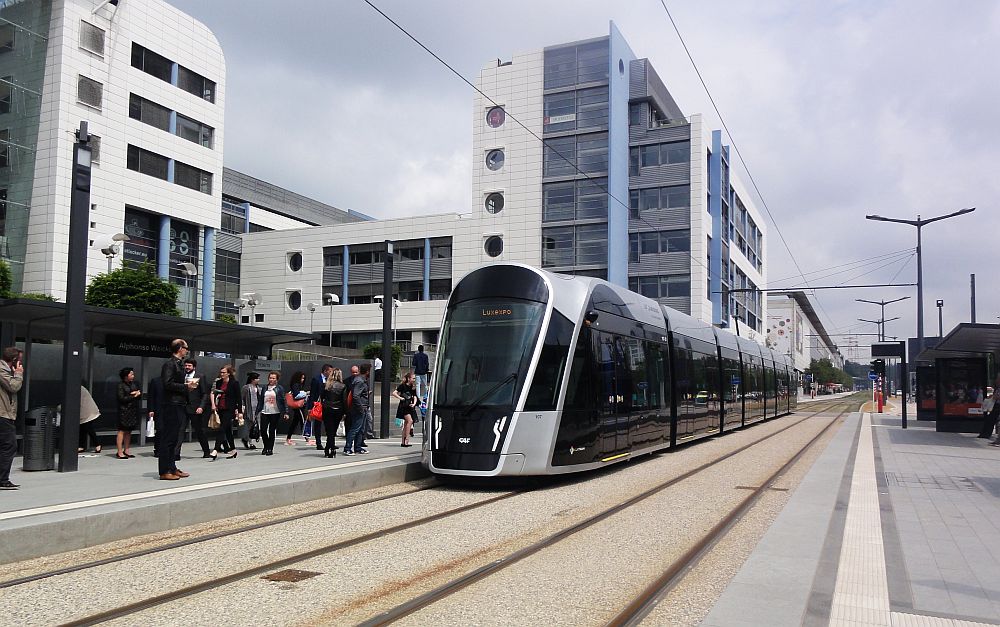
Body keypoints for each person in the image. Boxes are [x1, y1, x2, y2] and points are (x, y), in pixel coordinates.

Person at [159, 339, 197, 480]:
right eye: (186, 348)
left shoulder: (178, 364)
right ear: (180, 348)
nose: (187, 350)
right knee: (169, 438)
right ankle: (164, 470)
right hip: (172, 404)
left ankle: (172, 467)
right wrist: (185, 386)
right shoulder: (169, 364)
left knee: (175, 438)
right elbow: (167, 383)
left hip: (179, 403)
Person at [0, 347, 23, 490]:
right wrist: (19, 374)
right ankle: (2, 480)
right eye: (20, 360)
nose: (21, 363)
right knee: (10, 446)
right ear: (14, 360)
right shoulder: (2, 371)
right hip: (2, 414)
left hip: (5, 414)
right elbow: (13, 387)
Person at [179, 359, 212, 459]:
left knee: (199, 431)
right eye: (186, 366)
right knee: (180, 430)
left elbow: (205, 394)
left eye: (189, 366)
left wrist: (201, 406)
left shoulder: (200, 377)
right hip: (183, 407)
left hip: (195, 408)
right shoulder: (181, 376)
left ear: (194, 367)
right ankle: (176, 453)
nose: (187, 367)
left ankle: (206, 451)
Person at [209, 365, 241, 460]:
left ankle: (215, 449)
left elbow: (238, 398)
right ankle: (233, 450)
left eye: (224, 372)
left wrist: (239, 411)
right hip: (220, 408)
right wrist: (214, 404)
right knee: (227, 431)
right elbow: (214, 393)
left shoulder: (234, 383)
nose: (222, 374)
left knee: (222, 428)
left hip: (229, 409)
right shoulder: (219, 382)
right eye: (221, 372)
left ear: (228, 373)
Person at [344, 363, 371, 456]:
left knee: (360, 429)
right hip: (359, 408)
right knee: (355, 428)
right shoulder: (360, 381)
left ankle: (357, 447)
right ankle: (347, 448)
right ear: (367, 371)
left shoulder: (360, 380)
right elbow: (356, 395)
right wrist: (360, 407)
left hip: (362, 407)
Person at [258, 371, 287, 455]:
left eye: (273, 378)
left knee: (271, 430)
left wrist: (286, 412)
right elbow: (261, 400)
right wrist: (257, 411)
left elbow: (283, 401)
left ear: (277, 379)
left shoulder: (279, 388)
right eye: (270, 378)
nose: (271, 379)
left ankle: (270, 448)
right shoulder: (264, 388)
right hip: (265, 411)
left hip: (275, 412)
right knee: (263, 430)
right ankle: (266, 446)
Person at [115, 368, 142, 458]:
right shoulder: (121, 385)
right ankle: (119, 451)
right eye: (131, 374)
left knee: (129, 431)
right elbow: (121, 398)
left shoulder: (133, 384)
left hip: (132, 410)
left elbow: (137, 396)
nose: (133, 376)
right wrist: (133, 395)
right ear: (126, 376)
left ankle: (127, 449)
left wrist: (138, 394)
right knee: (122, 430)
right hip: (123, 410)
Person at [321, 368, 346, 458]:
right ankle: (331, 448)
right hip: (338, 409)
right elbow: (344, 400)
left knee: (329, 430)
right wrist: (345, 412)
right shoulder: (342, 386)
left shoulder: (327, 385)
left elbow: (322, 397)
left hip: (327, 408)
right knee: (333, 430)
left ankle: (329, 448)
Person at [307, 364, 333, 450]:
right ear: (325, 371)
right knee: (317, 424)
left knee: (328, 424)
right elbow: (313, 394)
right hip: (318, 404)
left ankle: (330, 442)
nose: (331, 373)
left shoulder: (330, 380)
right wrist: (310, 407)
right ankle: (318, 443)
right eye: (330, 371)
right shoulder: (316, 379)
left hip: (327, 404)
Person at [393, 371, 419, 447]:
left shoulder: (412, 387)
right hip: (403, 406)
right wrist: (401, 398)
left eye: (414, 378)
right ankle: (406, 440)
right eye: (413, 378)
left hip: (409, 406)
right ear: (408, 378)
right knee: (410, 421)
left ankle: (403, 441)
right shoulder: (403, 386)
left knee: (406, 423)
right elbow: (394, 393)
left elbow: (415, 396)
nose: (414, 380)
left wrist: (414, 403)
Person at [284, 371, 310, 447]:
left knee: (295, 422)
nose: (302, 380)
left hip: (298, 406)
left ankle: (288, 437)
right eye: (302, 378)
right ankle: (306, 437)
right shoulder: (296, 385)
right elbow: (296, 395)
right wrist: (306, 393)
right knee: (303, 420)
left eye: (303, 378)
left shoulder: (297, 385)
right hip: (298, 406)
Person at [240, 372, 262, 449]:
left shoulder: (259, 388)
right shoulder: (246, 388)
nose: (258, 380)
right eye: (257, 378)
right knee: (249, 426)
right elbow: (242, 398)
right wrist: (242, 408)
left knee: (255, 426)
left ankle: (247, 439)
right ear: (252, 379)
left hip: (257, 410)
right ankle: (249, 442)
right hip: (248, 409)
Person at [77, 385, 101, 454]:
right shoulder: (80, 388)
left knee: (88, 428)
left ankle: (97, 444)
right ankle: (81, 446)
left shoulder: (77, 389)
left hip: (88, 412)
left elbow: (72, 400)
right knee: (83, 428)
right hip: (88, 411)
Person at [147, 374, 163, 457]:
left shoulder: (174, 381)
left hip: (170, 409)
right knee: (160, 430)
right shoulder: (156, 381)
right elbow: (151, 396)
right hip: (159, 409)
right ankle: (158, 449)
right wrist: (151, 409)